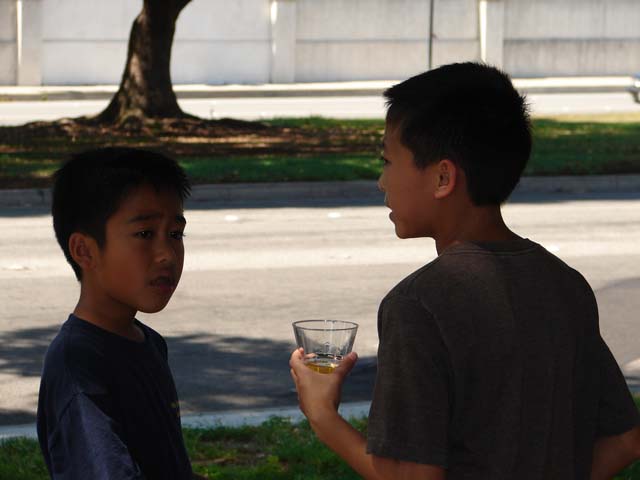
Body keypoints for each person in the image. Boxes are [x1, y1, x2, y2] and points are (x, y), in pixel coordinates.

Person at [289, 62, 640, 479]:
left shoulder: (417, 305)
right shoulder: (566, 284)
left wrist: (322, 415)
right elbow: (624, 440)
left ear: (443, 177)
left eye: (387, 160)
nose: (382, 181)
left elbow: (412, 476)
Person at [37, 147, 202, 479]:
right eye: (144, 234)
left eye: (175, 234)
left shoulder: (148, 342)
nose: (167, 255)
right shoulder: (78, 368)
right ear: (84, 250)